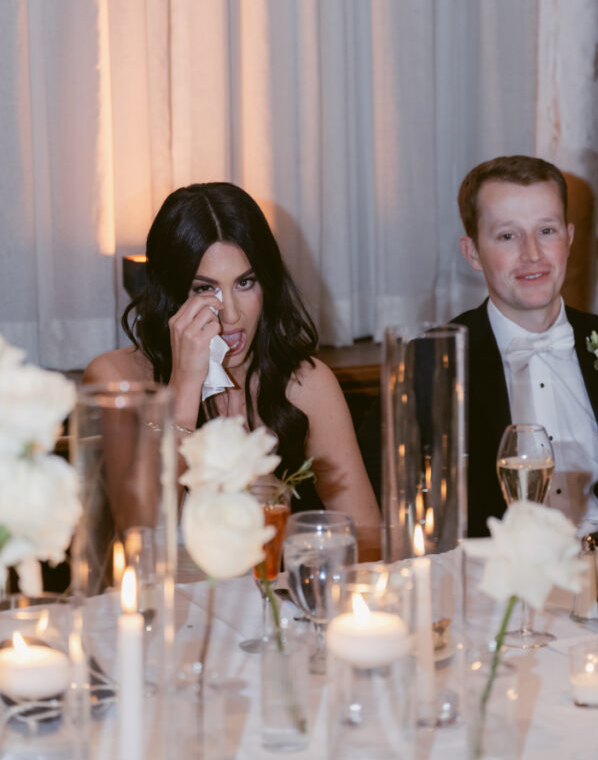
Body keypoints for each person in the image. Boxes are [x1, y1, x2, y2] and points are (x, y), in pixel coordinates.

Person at [84, 182, 381, 559]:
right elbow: (144, 536)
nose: (232, 316)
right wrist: (185, 385)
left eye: (245, 283)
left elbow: (367, 536)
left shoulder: (306, 383)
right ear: (172, 295)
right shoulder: (116, 379)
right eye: (204, 290)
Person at [455, 154, 598, 537]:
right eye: (508, 235)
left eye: (547, 231)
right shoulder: (436, 364)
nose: (532, 254)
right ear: (473, 252)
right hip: (500, 580)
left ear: (570, 238)